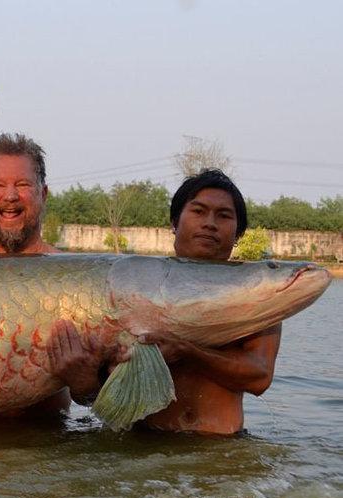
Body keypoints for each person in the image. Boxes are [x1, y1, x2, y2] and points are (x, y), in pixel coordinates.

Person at [57, 169, 280, 434]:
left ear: (238, 233)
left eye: (224, 215)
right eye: (198, 211)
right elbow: (87, 397)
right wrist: (84, 380)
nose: (210, 223)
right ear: (174, 222)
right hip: (141, 445)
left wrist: (188, 351)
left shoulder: (258, 296)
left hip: (220, 449)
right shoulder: (129, 288)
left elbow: (260, 377)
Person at [0, 133, 106, 417]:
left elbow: (101, 403)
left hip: (46, 447)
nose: (10, 195)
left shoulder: (77, 279)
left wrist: (86, 386)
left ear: (43, 194)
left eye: (22, 185)